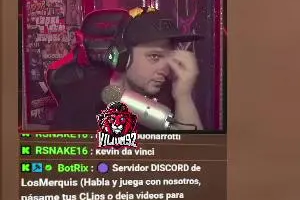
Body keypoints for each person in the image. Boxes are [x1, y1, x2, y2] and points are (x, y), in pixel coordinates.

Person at [50, 9, 204, 132]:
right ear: (123, 56)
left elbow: (196, 157)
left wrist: (184, 97)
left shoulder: (171, 94)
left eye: (170, 57)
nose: (166, 70)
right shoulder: (79, 97)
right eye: (154, 56)